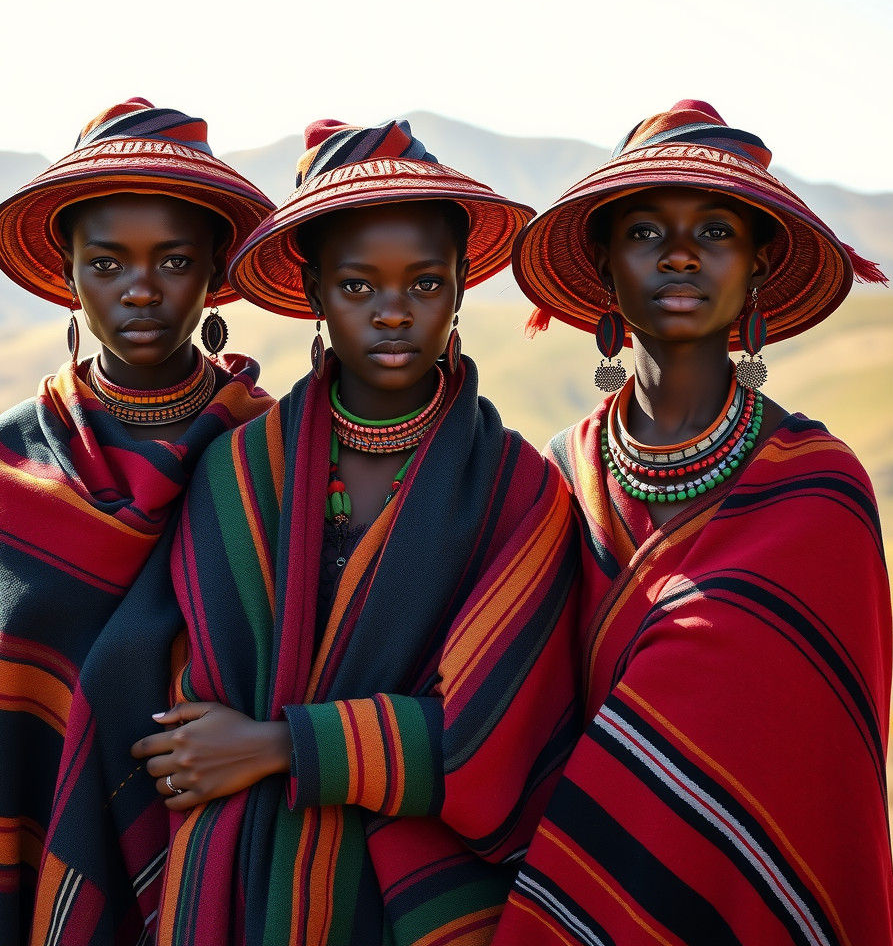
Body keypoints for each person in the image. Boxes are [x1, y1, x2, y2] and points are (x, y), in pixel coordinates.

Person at [31, 119, 580, 946]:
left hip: (420, 896)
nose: (393, 314)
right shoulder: (237, 472)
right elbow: (190, 709)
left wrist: (284, 744)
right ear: (315, 289)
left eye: (424, 284)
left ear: (464, 283)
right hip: (234, 880)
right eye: (359, 287)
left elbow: (499, 734)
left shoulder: (519, 488)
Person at [493, 100, 893, 944]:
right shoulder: (555, 480)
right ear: (604, 267)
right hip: (573, 898)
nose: (680, 253)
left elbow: (819, 786)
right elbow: (513, 722)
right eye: (645, 231)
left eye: (716, 230)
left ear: (756, 267)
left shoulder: (821, 493)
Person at [0, 98, 276, 946]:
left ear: (215, 268)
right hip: (43, 862)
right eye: (107, 263)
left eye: (174, 260)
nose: (141, 290)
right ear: (68, 275)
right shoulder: (10, 459)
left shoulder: (265, 450)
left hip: (219, 857)